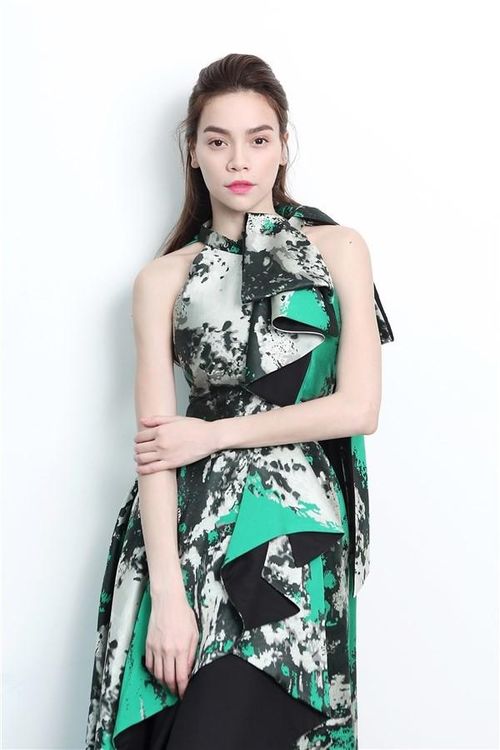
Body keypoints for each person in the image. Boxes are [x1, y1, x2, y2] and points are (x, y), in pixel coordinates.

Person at [84, 52, 394, 750]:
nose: (238, 160)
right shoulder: (162, 280)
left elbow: (358, 409)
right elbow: (156, 451)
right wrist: (168, 596)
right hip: (187, 535)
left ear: (283, 146)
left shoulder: (339, 249)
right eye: (218, 140)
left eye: (258, 138)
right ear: (192, 152)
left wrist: (212, 434)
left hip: (293, 536)